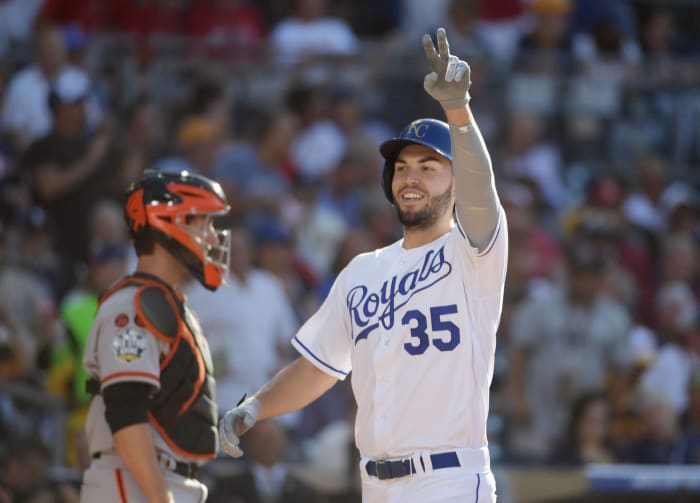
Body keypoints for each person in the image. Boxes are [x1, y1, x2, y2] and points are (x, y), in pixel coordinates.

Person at [220, 28, 506, 503]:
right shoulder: (361, 272)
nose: (411, 176)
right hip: (375, 484)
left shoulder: (474, 252)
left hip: (449, 480)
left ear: (457, 182)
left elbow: (482, 194)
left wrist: (458, 112)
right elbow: (320, 367)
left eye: (428, 167)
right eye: (402, 167)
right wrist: (257, 406)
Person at [79, 169, 231, 503]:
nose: (214, 237)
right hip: (134, 483)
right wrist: (158, 497)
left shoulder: (165, 301)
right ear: (168, 221)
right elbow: (126, 410)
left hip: (158, 481)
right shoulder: (133, 306)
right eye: (204, 223)